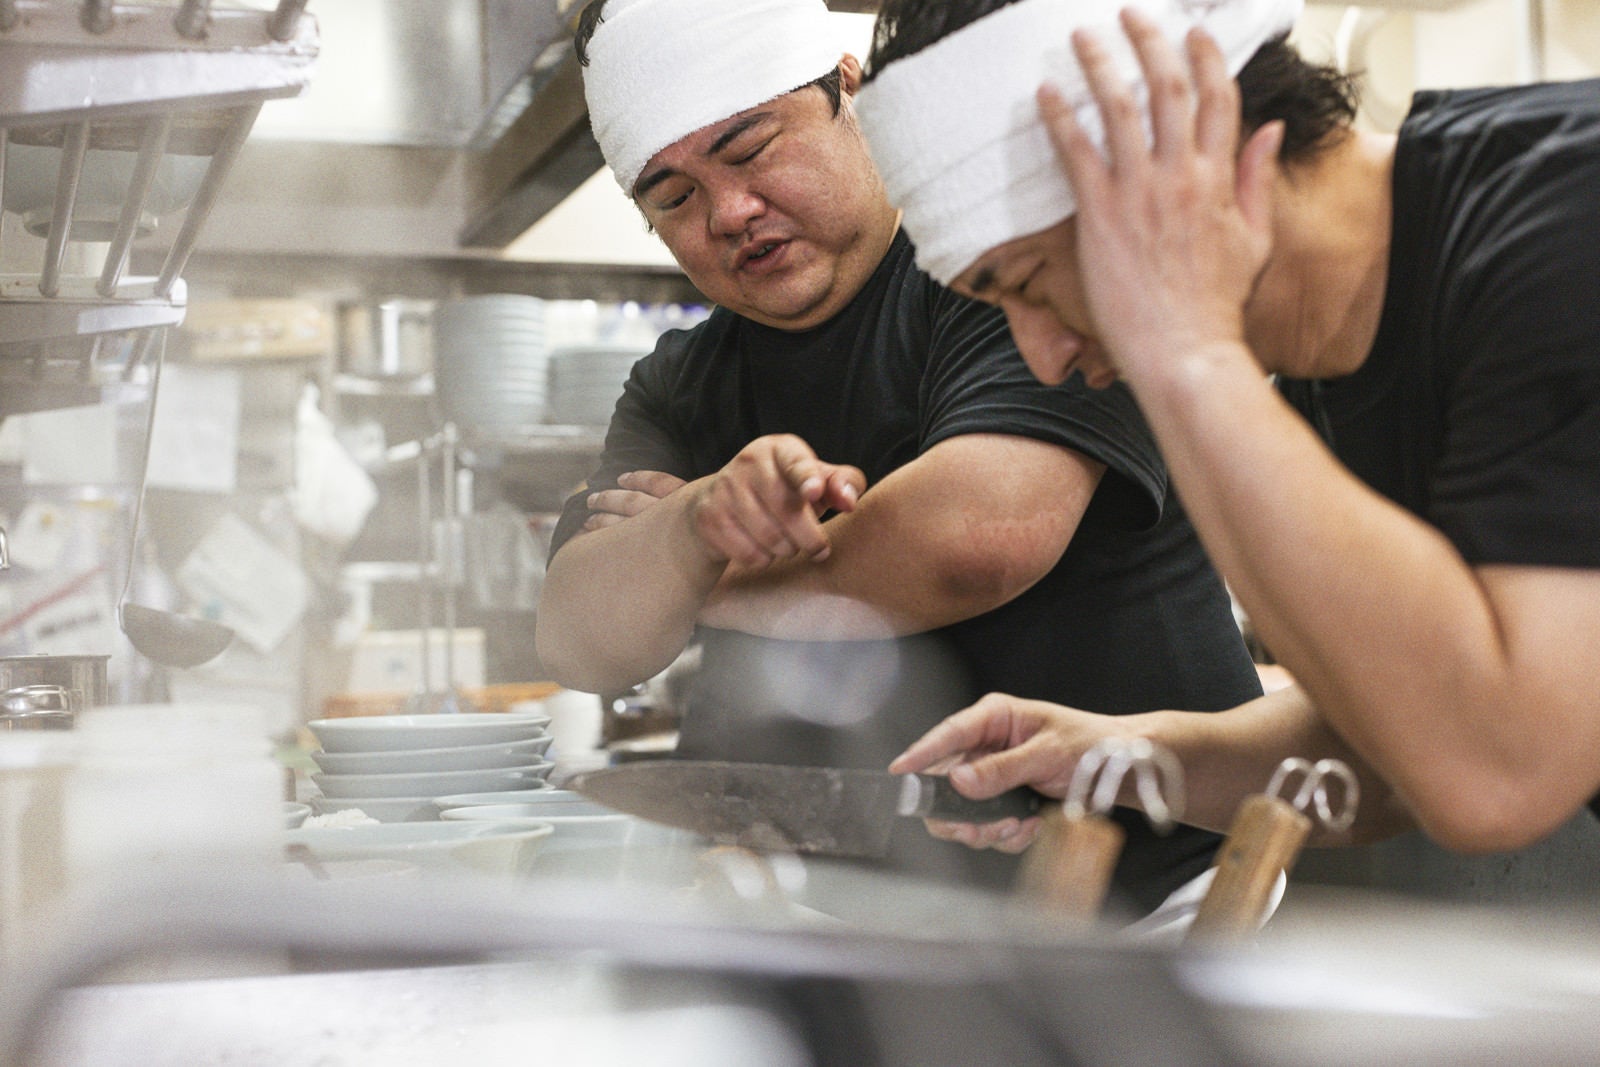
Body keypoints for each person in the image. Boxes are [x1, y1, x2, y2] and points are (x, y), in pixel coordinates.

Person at [534, 0, 1266, 914]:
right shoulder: (681, 380)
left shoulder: (999, 274)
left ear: (850, 90)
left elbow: (975, 540)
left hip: (1121, 907)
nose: (730, 212)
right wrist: (694, 518)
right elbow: (580, 633)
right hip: (828, 912)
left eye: (750, 147)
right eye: (674, 196)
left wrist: (695, 573)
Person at [856, 0, 1600, 856]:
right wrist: (1113, 756)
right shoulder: (1320, 368)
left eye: (1028, 283)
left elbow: (1497, 775)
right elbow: (1397, 751)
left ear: (1183, 168)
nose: (1044, 356)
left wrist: (1190, 351)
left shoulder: (1561, 223)